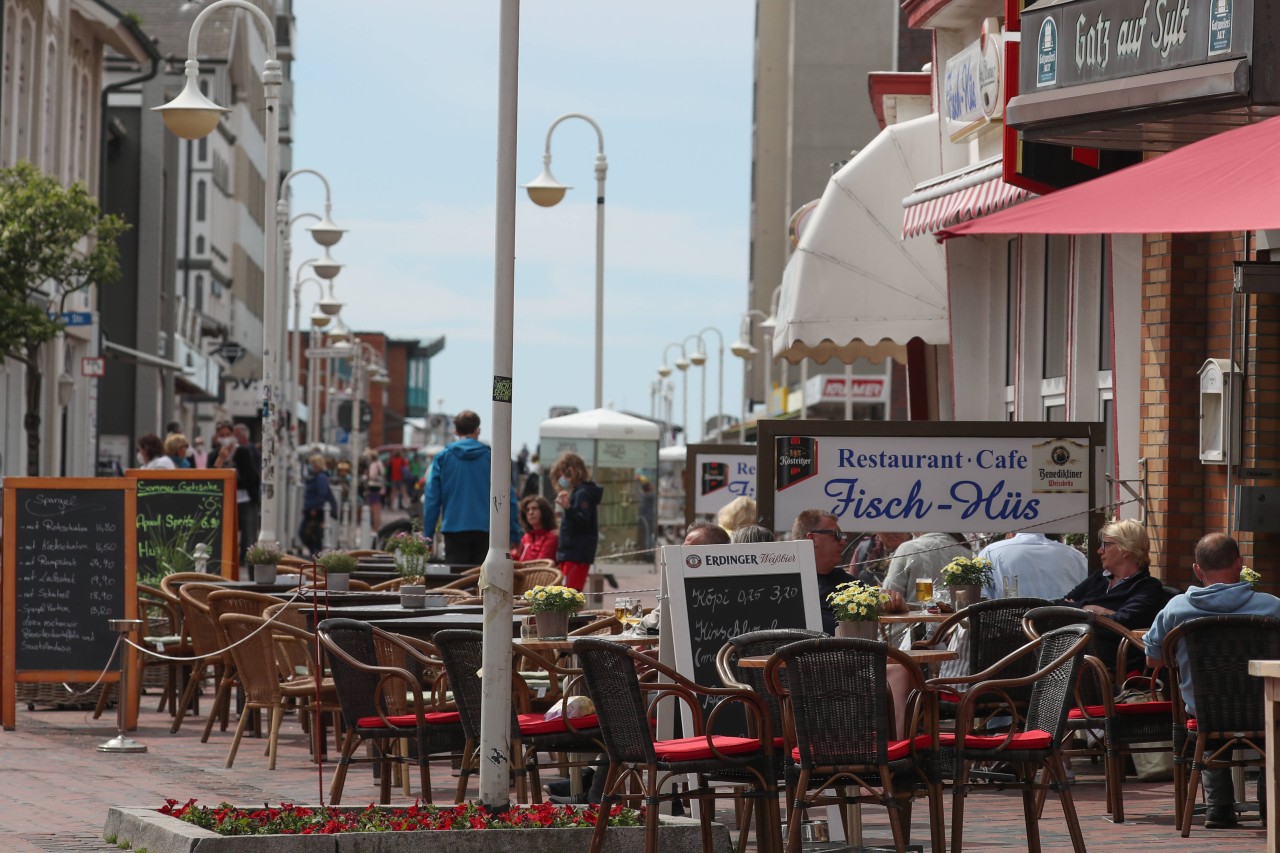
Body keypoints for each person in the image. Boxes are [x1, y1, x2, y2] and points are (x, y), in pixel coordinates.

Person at [1144, 532, 1280, 829]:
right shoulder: (1272, 607)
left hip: (1204, 714)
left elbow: (1153, 660)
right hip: (1263, 710)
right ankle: (1270, 808)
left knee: (1207, 734)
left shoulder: (1176, 609)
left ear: (1197, 569)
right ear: (1240, 563)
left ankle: (1218, 808)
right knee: (1274, 729)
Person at [1057, 518, 1169, 672]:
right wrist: (1095, 610)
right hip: (1076, 656)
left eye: (1106, 544)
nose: (1099, 550)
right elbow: (1061, 606)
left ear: (1126, 549)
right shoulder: (1098, 578)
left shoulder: (1147, 587)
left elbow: (1120, 624)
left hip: (1111, 666)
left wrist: (1078, 611)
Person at [421, 410, 519, 565]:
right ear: (477, 431)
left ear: (455, 431)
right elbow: (509, 497)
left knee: (457, 580)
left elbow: (431, 499)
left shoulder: (442, 457)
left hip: (454, 528)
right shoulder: (492, 457)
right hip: (487, 530)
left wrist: (428, 536)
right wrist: (515, 533)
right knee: (483, 580)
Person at [792, 509, 859, 634]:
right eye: (836, 535)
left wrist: (894, 601)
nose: (843, 541)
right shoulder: (786, 587)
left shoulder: (849, 585)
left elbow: (879, 601)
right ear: (812, 539)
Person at [978, 531, 1087, 601]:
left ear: (1010, 532)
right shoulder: (1075, 556)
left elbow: (982, 597)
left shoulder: (991, 552)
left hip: (1007, 630)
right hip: (1068, 632)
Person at [552, 451, 604, 591]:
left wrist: (568, 508)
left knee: (569, 594)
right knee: (568, 593)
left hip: (575, 553)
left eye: (562, 474)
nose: (561, 479)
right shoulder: (579, 492)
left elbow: (584, 522)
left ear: (571, 471)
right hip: (572, 553)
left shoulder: (582, 494)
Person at [883, 532, 972, 607]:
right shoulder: (965, 550)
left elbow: (887, 597)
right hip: (956, 624)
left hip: (914, 624)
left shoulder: (908, 548)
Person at [299, 453, 338, 557]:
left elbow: (322, 494)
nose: (311, 466)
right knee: (312, 534)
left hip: (315, 511)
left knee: (309, 534)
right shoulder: (317, 477)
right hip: (311, 509)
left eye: (313, 464)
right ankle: (316, 554)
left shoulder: (320, 477)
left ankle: (317, 554)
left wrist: (314, 508)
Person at [512, 495, 558, 563]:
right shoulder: (526, 537)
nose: (530, 512)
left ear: (544, 512)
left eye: (534, 508)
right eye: (527, 510)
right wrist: (504, 555)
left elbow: (541, 564)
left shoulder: (551, 537)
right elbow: (513, 555)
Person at [363, 449, 385, 531]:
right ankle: (377, 526)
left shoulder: (373, 464)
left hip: (373, 487)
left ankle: (375, 527)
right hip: (379, 487)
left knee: (374, 509)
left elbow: (372, 476)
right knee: (377, 509)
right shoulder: (379, 463)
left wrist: (365, 477)